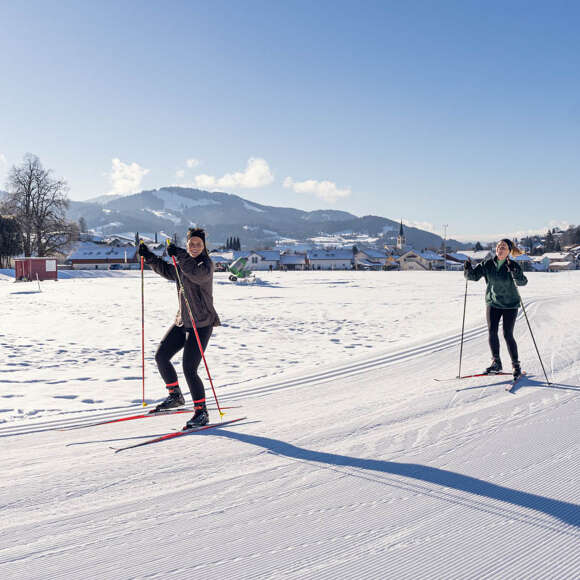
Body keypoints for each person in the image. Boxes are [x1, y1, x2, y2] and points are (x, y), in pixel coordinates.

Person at [138, 228, 220, 428]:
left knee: (189, 368)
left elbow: (196, 275)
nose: (194, 247)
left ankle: (201, 412)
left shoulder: (205, 265)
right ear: (187, 244)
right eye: (191, 244)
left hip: (201, 323)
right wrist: (149, 256)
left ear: (204, 247)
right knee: (161, 356)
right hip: (183, 320)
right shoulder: (182, 264)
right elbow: (167, 270)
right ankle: (175, 395)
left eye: (198, 244)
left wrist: (180, 255)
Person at [464, 239, 527, 379]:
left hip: (510, 304)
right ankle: (496, 362)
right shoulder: (487, 264)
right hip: (493, 303)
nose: (500, 249)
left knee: (507, 334)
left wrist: (516, 272)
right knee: (492, 332)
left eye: (503, 247)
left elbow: (523, 282)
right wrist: (468, 269)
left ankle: (516, 365)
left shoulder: (513, 265)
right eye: (498, 246)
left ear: (509, 251)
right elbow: (473, 277)